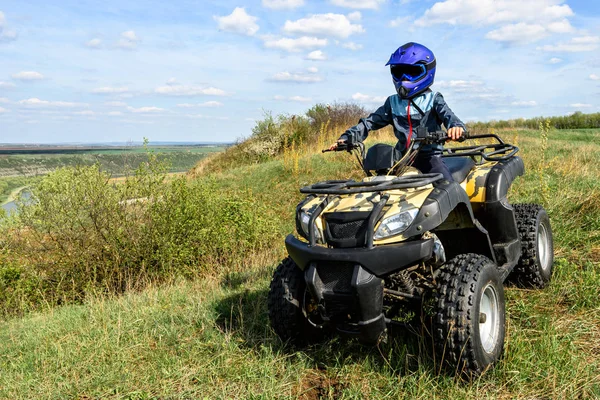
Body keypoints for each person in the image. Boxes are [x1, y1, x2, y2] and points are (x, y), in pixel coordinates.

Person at [329, 42, 465, 181]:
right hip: (401, 158)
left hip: (428, 157)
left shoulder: (433, 99)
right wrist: (347, 138)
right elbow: (368, 123)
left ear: (427, 71)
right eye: (399, 72)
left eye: (412, 72)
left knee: (446, 186)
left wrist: (456, 127)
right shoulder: (392, 102)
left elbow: (450, 117)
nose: (404, 78)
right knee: (380, 186)